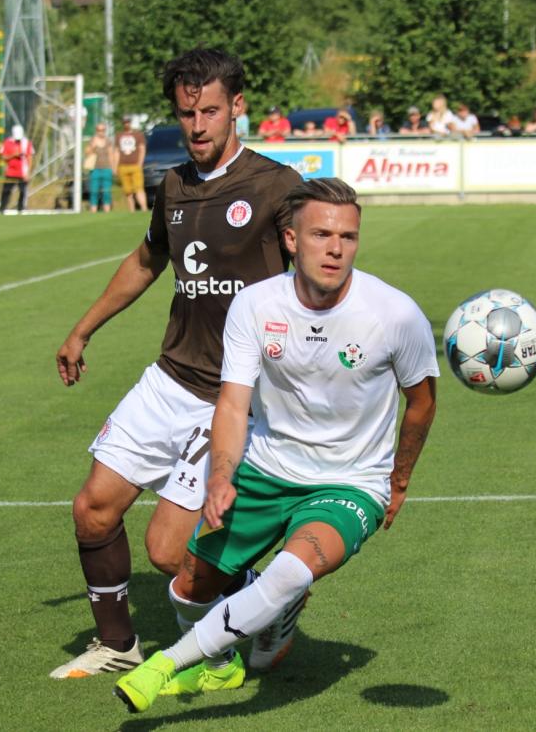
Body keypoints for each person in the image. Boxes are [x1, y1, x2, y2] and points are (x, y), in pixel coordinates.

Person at [112, 176, 439, 713]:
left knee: (291, 569)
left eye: (348, 237)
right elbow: (233, 403)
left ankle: (167, 664)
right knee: (187, 584)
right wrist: (221, 475)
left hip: (349, 482)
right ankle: (220, 668)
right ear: (290, 239)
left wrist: (397, 480)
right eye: (321, 235)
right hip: (265, 469)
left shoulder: (395, 314)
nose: (336, 249)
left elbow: (422, 402)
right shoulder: (255, 305)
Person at [50, 47, 304, 681]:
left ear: (238, 108)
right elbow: (145, 262)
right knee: (92, 509)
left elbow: (317, 282)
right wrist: (82, 330)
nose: (197, 126)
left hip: (231, 394)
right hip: (169, 378)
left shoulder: (277, 187)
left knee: (168, 551)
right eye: (187, 113)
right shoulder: (172, 184)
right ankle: (118, 645)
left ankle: (275, 595)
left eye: (210, 111)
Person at [115, 116, 148, 213]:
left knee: (139, 188)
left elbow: (142, 149)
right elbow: (116, 151)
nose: (126, 124)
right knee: (127, 191)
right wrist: (115, 166)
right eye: (125, 122)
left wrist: (140, 163)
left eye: (128, 122)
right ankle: (131, 211)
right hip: (122, 166)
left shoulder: (138, 134)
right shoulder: (119, 135)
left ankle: (144, 209)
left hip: (135, 165)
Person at [0, 124, 34, 214]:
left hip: (22, 173)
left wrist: (28, 172)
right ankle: (2, 209)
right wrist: (13, 155)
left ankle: (20, 209)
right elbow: (3, 157)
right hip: (10, 172)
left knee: (23, 191)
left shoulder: (27, 143)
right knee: (6, 191)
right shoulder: (7, 142)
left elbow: (30, 158)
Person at [86, 123, 116, 213]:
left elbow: (111, 155)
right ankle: (93, 210)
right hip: (95, 169)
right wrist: (93, 146)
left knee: (106, 192)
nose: (101, 132)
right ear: (96, 130)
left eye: (103, 130)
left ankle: (107, 210)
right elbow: (87, 153)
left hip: (106, 169)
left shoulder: (108, 141)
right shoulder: (92, 140)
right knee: (94, 191)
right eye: (99, 130)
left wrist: (113, 168)